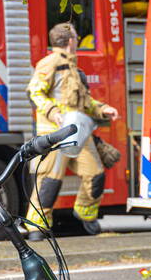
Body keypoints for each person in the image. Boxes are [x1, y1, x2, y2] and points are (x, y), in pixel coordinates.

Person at [25, 22, 119, 239]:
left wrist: (103, 109)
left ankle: (85, 214)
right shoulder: (49, 63)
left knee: (94, 174)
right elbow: (34, 92)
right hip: (54, 134)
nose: (77, 41)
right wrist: (53, 112)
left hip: (78, 132)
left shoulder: (75, 69)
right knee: (49, 182)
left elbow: (84, 102)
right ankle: (36, 228)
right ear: (70, 41)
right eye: (76, 38)